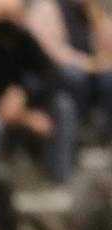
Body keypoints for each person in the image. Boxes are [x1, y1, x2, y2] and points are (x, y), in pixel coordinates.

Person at [0, 0, 77, 183]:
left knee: (63, 106)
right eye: (2, 16)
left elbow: (51, 76)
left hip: (27, 107)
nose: (7, 23)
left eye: (12, 15)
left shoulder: (27, 42)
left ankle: (60, 179)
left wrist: (25, 94)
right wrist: (20, 115)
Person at [28, 0, 112, 138]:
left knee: (109, 78)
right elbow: (54, 53)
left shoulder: (90, 9)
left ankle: (105, 132)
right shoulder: (46, 7)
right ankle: (81, 126)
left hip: (88, 70)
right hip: (52, 74)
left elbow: (108, 49)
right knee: (74, 76)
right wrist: (89, 64)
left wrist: (97, 16)